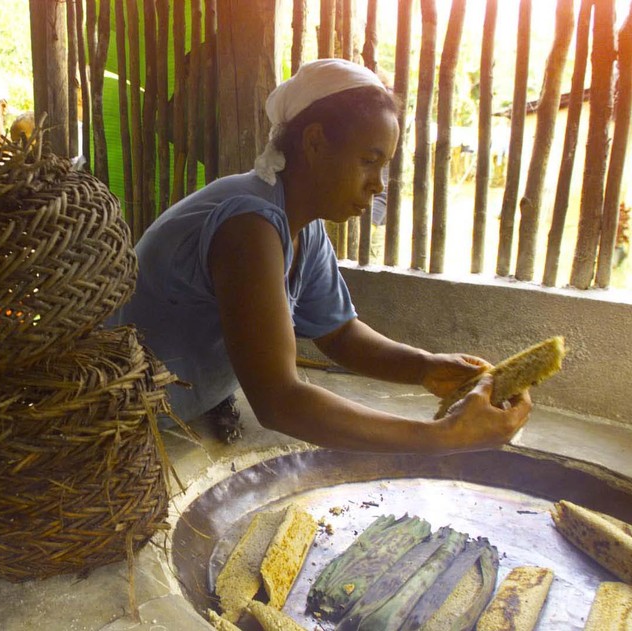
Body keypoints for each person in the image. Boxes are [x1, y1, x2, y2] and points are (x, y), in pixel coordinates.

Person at [110, 58, 531, 453]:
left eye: (384, 167)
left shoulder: (301, 225)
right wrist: (441, 437)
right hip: (124, 426)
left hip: (179, 413)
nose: (378, 185)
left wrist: (425, 367)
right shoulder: (249, 227)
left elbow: (339, 334)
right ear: (314, 142)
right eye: (369, 161)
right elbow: (279, 402)